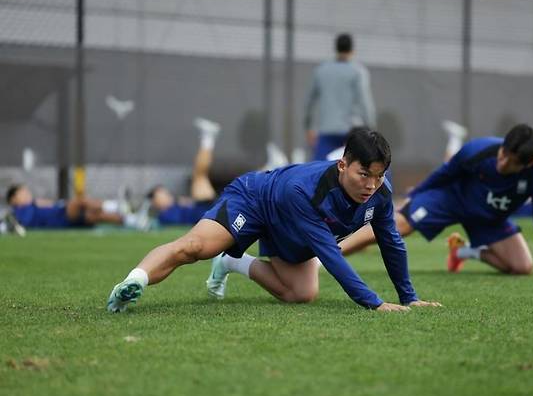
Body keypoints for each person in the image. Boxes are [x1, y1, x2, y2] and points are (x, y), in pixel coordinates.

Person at [106, 129, 440, 313]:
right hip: (256, 201)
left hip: (291, 226)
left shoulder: (379, 193)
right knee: (196, 247)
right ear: (342, 166)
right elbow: (331, 254)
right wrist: (375, 303)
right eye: (363, 174)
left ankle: (232, 264)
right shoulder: (306, 192)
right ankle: (133, 281)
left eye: (378, 177)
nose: (370, 184)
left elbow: (391, 241)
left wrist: (408, 296)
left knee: (301, 293)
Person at [339, 124, 533, 281]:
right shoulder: (479, 150)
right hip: (452, 199)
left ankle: (462, 251)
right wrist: (418, 195)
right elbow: (445, 173)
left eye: (511, 162)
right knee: (399, 225)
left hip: (490, 218)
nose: (502, 163)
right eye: (503, 154)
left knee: (522, 267)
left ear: (529, 163)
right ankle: (325, 256)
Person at [304, 33, 376, 161]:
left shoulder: (321, 71)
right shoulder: (358, 71)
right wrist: (371, 129)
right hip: (352, 132)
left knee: (319, 171)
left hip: (327, 130)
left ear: (336, 48)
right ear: (352, 50)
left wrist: (309, 128)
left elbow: (309, 102)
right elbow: (365, 103)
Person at [147, 118, 222, 227]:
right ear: (155, 202)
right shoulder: (164, 216)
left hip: (204, 208)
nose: (166, 194)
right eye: (161, 194)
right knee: (199, 175)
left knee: (200, 175)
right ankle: (208, 139)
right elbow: (178, 220)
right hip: (204, 212)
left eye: (165, 192)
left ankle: (208, 139)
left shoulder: (174, 205)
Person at [6, 183, 138, 230]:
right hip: (59, 219)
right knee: (78, 202)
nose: (27, 193)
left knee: (96, 216)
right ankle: (117, 206)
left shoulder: (32, 204)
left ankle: (132, 220)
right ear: (14, 198)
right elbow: (24, 223)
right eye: (22, 192)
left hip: (61, 214)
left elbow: (50, 206)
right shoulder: (20, 210)